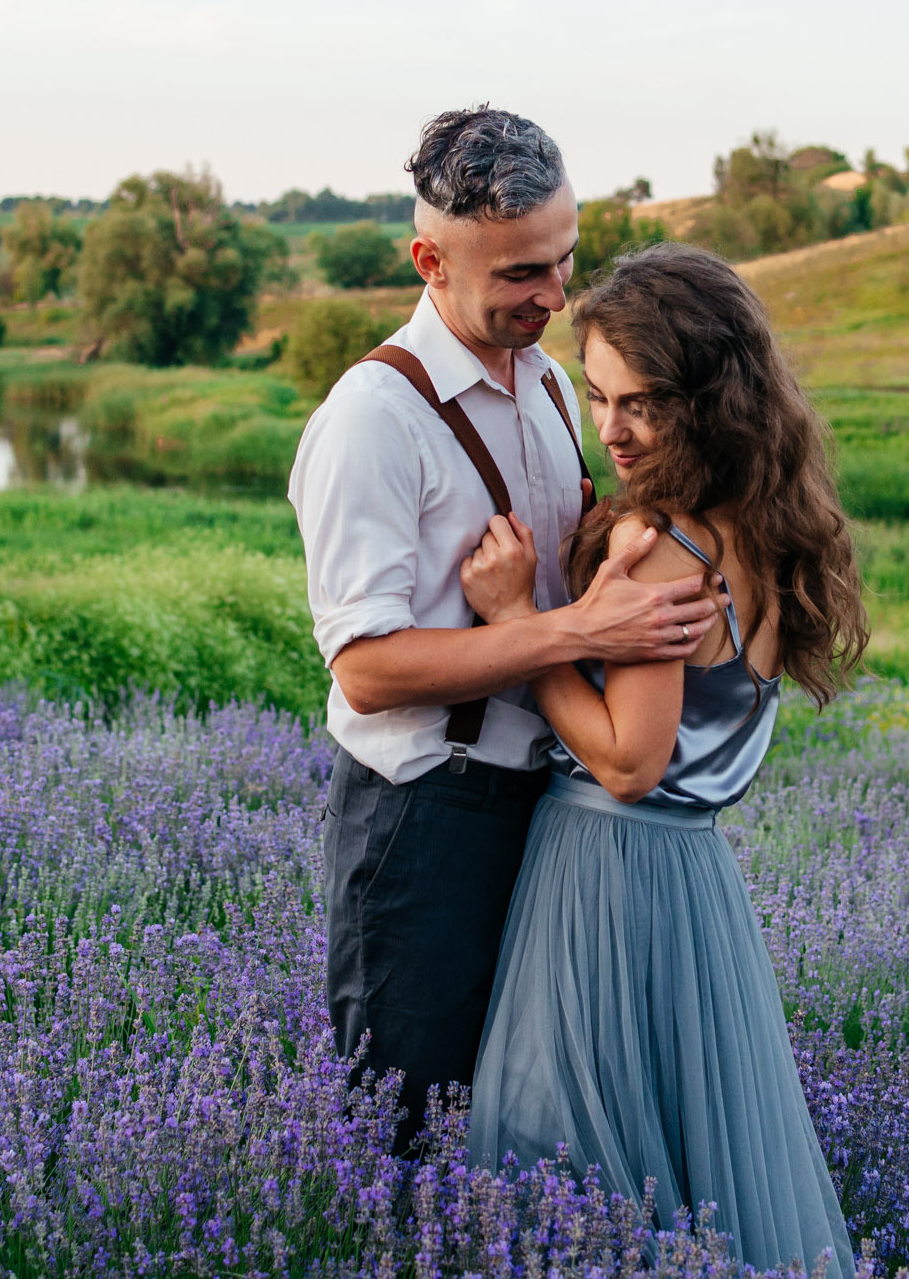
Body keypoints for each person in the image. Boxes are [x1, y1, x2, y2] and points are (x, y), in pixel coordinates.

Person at [287, 109, 727, 1153]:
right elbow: (366, 670)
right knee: (402, 1137)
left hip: (545, 810)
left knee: (512, 1135)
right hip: (423, 826)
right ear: (429, 260)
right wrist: (561, 625)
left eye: (564, 261)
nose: (555, 296)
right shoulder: (371, 420)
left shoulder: (544, 383)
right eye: (522, 273)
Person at [460, 243, 870, 1273]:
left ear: (709, 399)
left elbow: (628, 761)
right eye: (596, 397)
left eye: (639, 403)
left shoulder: (664, 546)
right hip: (691, 884)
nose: (611, 429)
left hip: (606, 871)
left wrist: (521, 619)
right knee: (694, 1164)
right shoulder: (765, 526)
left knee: (565, 1156)